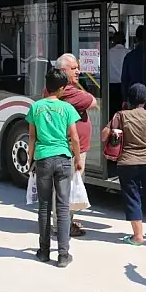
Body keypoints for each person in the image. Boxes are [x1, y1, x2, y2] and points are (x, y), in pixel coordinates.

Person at [27, 68, 82, 267]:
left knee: (43, 206)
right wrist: (77, 159)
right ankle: (62, 255)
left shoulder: (35, 107)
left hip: (42, 159)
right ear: (60, 89)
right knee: (63, 207)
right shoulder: (67, 108)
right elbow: (74, 137)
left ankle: (43, 252)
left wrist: (30, 158)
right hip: (63, 159)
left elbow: (32, 136)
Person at [101, 83, 146, 245]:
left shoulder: (120, 116)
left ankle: (137, 236)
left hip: (127, 163)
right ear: (145, 99)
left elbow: (103, 136)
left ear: (129, 98)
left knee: (132, 197)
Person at [51, 53, 98, 237]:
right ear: (62, 70)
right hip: (72, 148)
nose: (78, 71)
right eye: (74, 68)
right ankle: (62, 226)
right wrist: (84, 94)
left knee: (66, 186)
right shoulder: (67, 90)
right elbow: (93, 102)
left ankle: (65, 220)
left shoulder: (60, 88)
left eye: (78, 67)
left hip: (69, 146)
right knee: (67, 187)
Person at [120, 25, 145, 101]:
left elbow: (124, 79)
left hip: (133, 95)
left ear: (136, 39)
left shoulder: (129, 56)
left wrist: (124, 99)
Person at [108, 31, 129, 118]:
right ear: (124, 41)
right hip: (124, 85)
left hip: (111, 85)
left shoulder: (108, 53)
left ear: (113, 41)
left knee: (112, 111)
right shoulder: (128, 52)